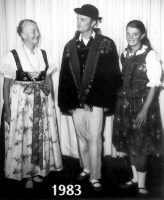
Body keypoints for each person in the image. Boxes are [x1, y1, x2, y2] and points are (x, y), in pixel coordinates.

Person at [58, 4, 122, 192]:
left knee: (95, 137)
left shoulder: (106, 43)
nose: (79, 22)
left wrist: (108, 101)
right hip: (76, 101)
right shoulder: (70, 46)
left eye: (83, 19)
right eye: (77, 18)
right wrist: (66, 102)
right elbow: (64, 76)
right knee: (82, 137)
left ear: (94, 22)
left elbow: (113, 74)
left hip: (97, 100)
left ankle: (95, 176)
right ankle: (86, 167)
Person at [0, 19, 63, 188]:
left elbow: (48, 80)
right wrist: (7, 110)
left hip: (42, 103)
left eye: (37, 30)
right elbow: (6, 86)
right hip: (21, 105)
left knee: (40, 134)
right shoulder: (12, 56)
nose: (37, 34)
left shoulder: (44, 54)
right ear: (22, 35)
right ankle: (25, 174)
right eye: (32, 31)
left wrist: (52, 103)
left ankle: (38, 170)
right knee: (24, 136)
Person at [113, 20, 162, 196]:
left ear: (142, 35)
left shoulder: (150, 55)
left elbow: (154, 85)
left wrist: (144, 110)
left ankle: (142, 184)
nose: (131, 37)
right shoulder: (124, 54)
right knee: (129, 144)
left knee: (140, 146)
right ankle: (134, 178)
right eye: (128, 33)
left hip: (142, 105)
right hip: (125, 105)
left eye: (135, 34)